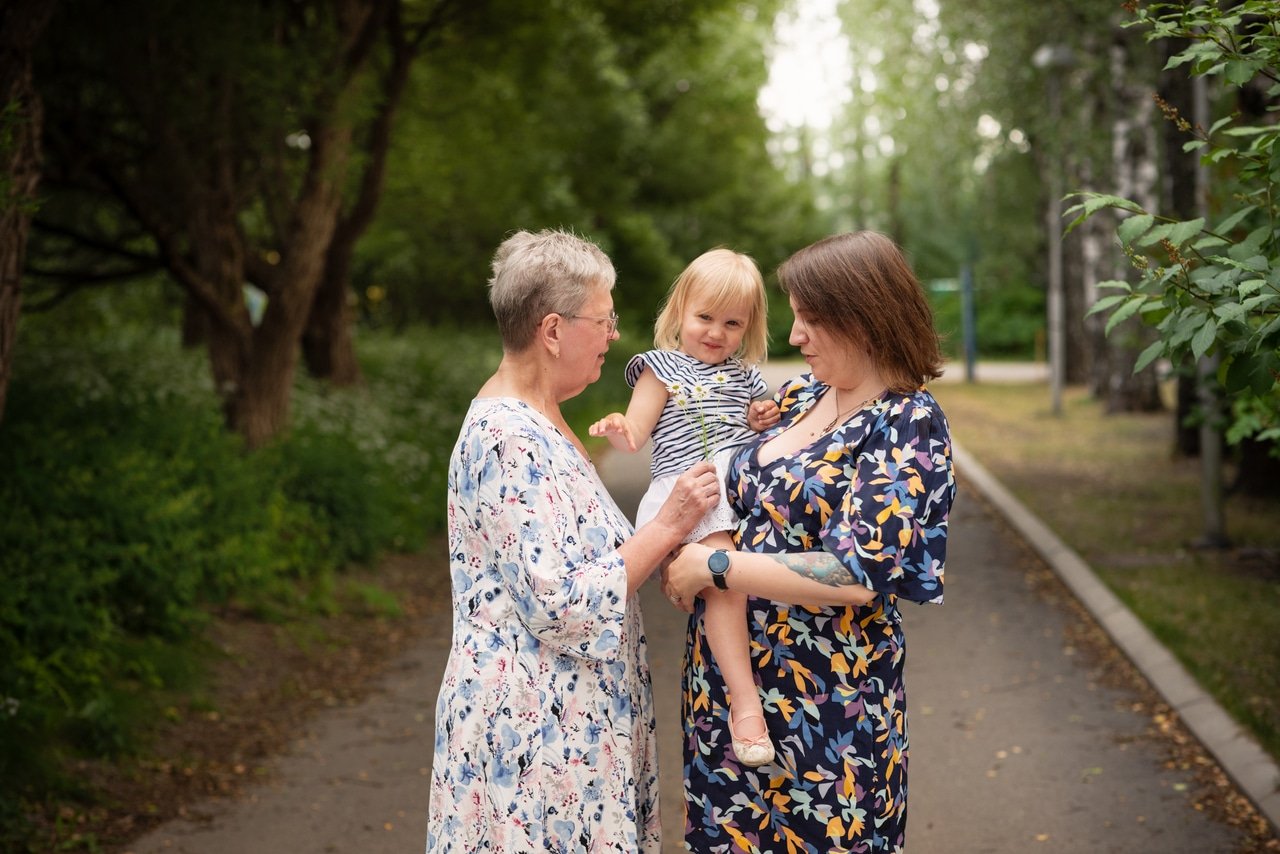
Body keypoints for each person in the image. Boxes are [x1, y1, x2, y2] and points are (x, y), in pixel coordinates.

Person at [424, 229, 722, 853]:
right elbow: (561, 604)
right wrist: (669, 524)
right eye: (605, 319)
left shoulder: (546, 421)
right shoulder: (508, 438)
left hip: (569, 735)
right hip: (531, 748)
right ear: (553, 330)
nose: (616, 335)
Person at [663, 230, 957, 853]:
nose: (795, 337)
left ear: (864, 319)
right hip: (728, 696)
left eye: (810, 320)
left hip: (826, 705)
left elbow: (854, 574)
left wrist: (714, 565)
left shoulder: (908, 423)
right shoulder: (799, 396)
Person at [588, 248, 782, 767]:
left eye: (732, 322)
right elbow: (637, 431)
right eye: (704, 317)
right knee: (725, 581)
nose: (716, 332)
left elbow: (756, 428)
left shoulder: (744, 377)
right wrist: (619, 426)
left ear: (748, 328)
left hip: (738, 486)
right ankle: (745, 704)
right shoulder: (663, 369)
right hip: (691, 488)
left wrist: (762, 417)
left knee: (748, 580)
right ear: (679, 312)